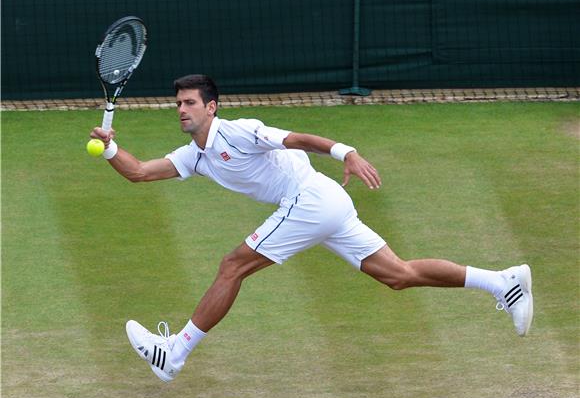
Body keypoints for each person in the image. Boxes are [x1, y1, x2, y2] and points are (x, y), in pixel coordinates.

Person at [90, 74, 533, 382]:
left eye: (189, 103)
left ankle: (175, 353)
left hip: (311, 198)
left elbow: (296, 138)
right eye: (178, 103)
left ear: (211, 107)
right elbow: (141, 172)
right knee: (397, 275)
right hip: (325, 202)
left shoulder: (240, 131)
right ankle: (502, 282)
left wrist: (347, 152)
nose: (181, 110)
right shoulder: (194, 154)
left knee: (232, 266)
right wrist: (112, 150)